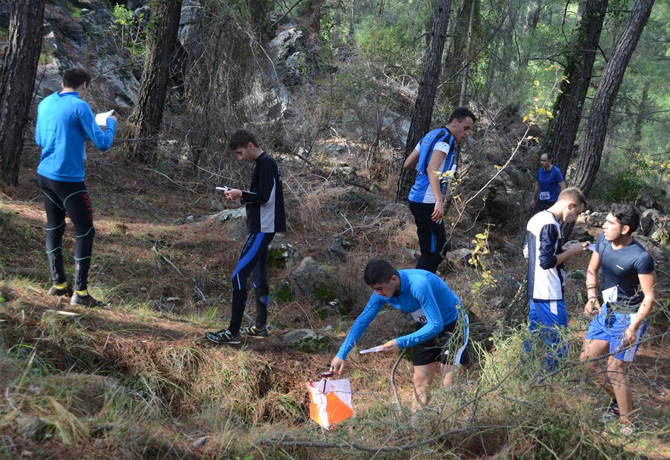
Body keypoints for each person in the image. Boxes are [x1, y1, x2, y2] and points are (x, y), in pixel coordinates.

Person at [330, 258, 470, 409]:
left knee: (448, 382)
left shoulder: (418, 284)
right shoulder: (381, 293)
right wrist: (341, 354)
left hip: (453, 324)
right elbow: (362, 321)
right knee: (420, 381)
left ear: (394, 279)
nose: (378, 293)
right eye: (375, 290)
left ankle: (455, 425)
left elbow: (436, 325)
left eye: (380, 288)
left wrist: (400, 342)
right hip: (426, 325)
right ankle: (417, 429)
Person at [35, 68, 117, 307]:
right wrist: (110, 124)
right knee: (84, 231)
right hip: (68, 179)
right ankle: (80, 293)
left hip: (44, 174)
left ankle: (58, 284)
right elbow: (102, 144)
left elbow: (40, 140)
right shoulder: (80, 106)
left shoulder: (46, 102)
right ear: (84, 86)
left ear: (62, 83)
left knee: (55, 226)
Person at [580, 204, 655, 435]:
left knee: (615, 369)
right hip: (606, 312)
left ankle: (627, 424)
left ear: (625, 229)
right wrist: (592, 297)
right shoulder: (602, 241)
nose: (604, 226)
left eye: (610, 223)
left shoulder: (640, 257)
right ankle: (621, 404)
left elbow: (650, 296)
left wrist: (633, 326)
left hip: (629, 315)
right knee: (587, 360)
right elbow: (592, 270)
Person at [206, 130, 286, 344]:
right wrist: (241, 195)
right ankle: (260, 327)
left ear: (251, 145)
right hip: (260, 227)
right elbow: (261, 195)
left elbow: (264, 197)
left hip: (262, 228)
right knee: (258, 276)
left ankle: (233, 332)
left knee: (238, 276)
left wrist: (241, 194)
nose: (240, 158)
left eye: (241, 153)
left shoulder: (266, 163)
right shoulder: (263, 164)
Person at [402, 107, 476, 273]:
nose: (467, 133)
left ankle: (424, 284)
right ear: (455, 122)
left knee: (440, 247)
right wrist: (438, 200)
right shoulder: (447, 139)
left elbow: (408, 164)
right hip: (427, 202)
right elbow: (432, 168)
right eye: (466, 128)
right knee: (432, 253)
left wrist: (422, 171)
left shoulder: (431, 135)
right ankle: (415, 290)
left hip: (418, 199)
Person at [524, 187, 588, 370]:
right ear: (570, 205)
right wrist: (572, 253)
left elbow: (530, 252)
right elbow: (546, 262)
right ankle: (552, 384)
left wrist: (563, 248)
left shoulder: (538, 218)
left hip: (535, 291)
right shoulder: (551, 224)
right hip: (549, 292)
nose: (575, 219)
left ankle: (524, 377)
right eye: (577, 213)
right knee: (557, 342)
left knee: (533, 338)